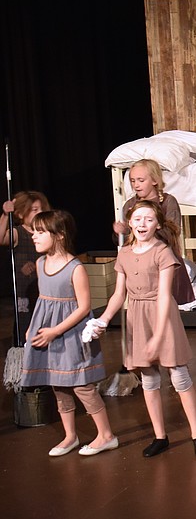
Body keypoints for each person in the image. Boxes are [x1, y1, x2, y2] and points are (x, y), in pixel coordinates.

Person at [93, 199, 196, 457]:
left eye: (148, 219)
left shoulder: (162, 252)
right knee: (149, 379)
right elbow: (117, 295)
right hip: (137, 314)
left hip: (162, 314)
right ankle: (160, 436)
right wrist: (103, 319)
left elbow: (164, 296)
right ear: (129, 223)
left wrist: (158, 334)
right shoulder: (124, 253)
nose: (142, 224)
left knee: (179, 375)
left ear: (157, 224)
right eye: (137, 219)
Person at [20, 209, 118, 457]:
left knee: (81, 386)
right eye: (34, 230)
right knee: (58, 384)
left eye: (40, 231)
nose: (34, 236)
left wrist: (55, 331)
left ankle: (106, 435)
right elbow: (43, 300)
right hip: (48, 330)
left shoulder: (75, 267)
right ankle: (70, 436)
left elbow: (84, 307)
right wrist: (34, 328)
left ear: (60, 235)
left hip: (71, 333)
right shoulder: (41, 264)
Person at [112, 159, 194, 305]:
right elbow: (125, 243)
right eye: (133, 180)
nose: (136, 184)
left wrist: (149, 229)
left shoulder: (168, 202)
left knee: (166, 306)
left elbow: (172, 232)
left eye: (141, 180)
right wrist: (121, 232)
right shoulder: (130, 205)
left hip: (162, 262)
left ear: (155, 180)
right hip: (140, 266)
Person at [2, 191, 50, 343]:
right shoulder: (18, 233)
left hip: (44, 288)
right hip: (25, 292)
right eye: (34, 210)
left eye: (41, 209)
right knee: (26, 326)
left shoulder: (47, 233)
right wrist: (5, 215)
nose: (39, 213)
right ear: (21, 214)